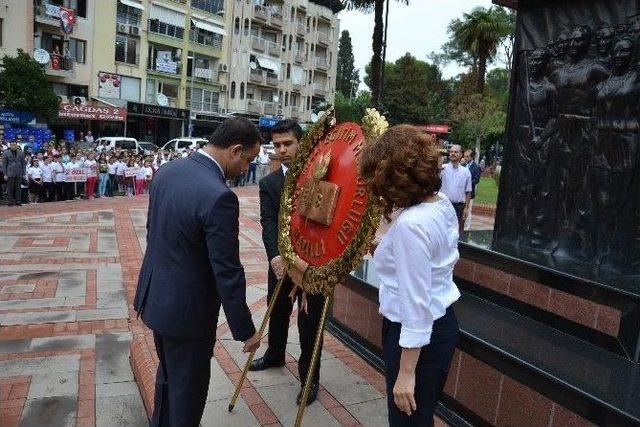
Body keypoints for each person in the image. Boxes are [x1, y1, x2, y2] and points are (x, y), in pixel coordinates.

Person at [133, 117, 262, 427]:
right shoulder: (219, 196)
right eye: (247, 160)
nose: (246, 168)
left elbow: (155, 234)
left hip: (157, 301)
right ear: (235, 150)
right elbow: (227, 271)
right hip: (188, 315)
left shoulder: (168, 171)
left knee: (167, 380)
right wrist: (245, 329)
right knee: (188, 396)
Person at [359, 125, 460, 427]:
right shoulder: (439, 203)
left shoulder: (411, 225)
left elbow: (415, 305)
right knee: (419, 418)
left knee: (408, 420)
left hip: (415, 336)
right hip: (440, 326)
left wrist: (406, 373)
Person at [249, 119, 325, 405]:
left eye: (287, 144)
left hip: (314, 268)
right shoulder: (269, 183)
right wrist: (275, 256)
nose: (281, 150)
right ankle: (274, 355)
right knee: (277, 312)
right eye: (277, 145)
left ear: (302, 143)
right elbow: (268, 223)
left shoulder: (321, 178)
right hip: (281, 264)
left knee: (310, 324)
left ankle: (309, 379)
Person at [440, 144, 472, 232]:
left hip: (459, 207)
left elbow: (468, 191)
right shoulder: (443, 168)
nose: (452, 153)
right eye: (451, 152)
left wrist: (466, 208)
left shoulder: (466, 171)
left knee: (457, 231)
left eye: (455, 152)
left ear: (461, 154)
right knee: (443, 230)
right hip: (444, 205)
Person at [2, 140, 27, 206]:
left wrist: (24, 173)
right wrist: (5, 174)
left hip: (19, 172)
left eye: (15, 145)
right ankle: (10, 202)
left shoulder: (21, 152)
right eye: (12, 145)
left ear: (17, 145)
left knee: (18, 188)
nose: (13, 146)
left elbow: (23, 164)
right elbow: (4, 164)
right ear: (10, 146)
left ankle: (18, 201)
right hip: (10, 173)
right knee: (10, 188)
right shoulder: (6, 153)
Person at [462, 149, 482, 231]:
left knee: (468, 211)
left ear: (472, 157)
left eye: (467, 156)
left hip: (470, 193)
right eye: (464, 156)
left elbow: (476, 180)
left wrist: (467, 181)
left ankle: (466, 228)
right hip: (460, 193)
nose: (465, 158)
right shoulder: (462, 165)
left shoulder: (477, 167)